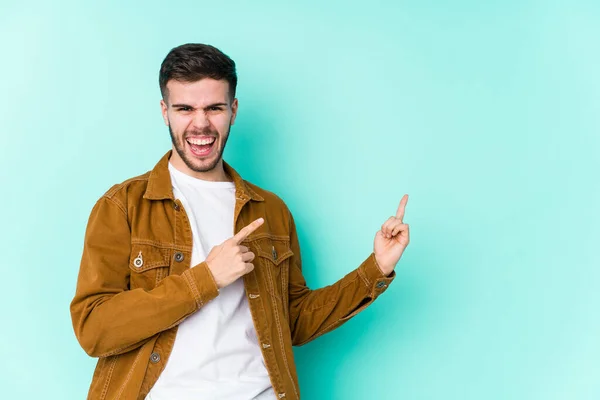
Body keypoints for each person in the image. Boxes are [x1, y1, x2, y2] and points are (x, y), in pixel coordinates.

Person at [70, 43, 411, 400]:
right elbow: (94, 329)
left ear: (232, 110)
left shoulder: (271, 211)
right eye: (184, 108)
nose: (200, 124)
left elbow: (292, 321)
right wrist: (206, 279)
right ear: (164, 111)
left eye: (214, 108)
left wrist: (376, 269)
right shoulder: (124, 206)